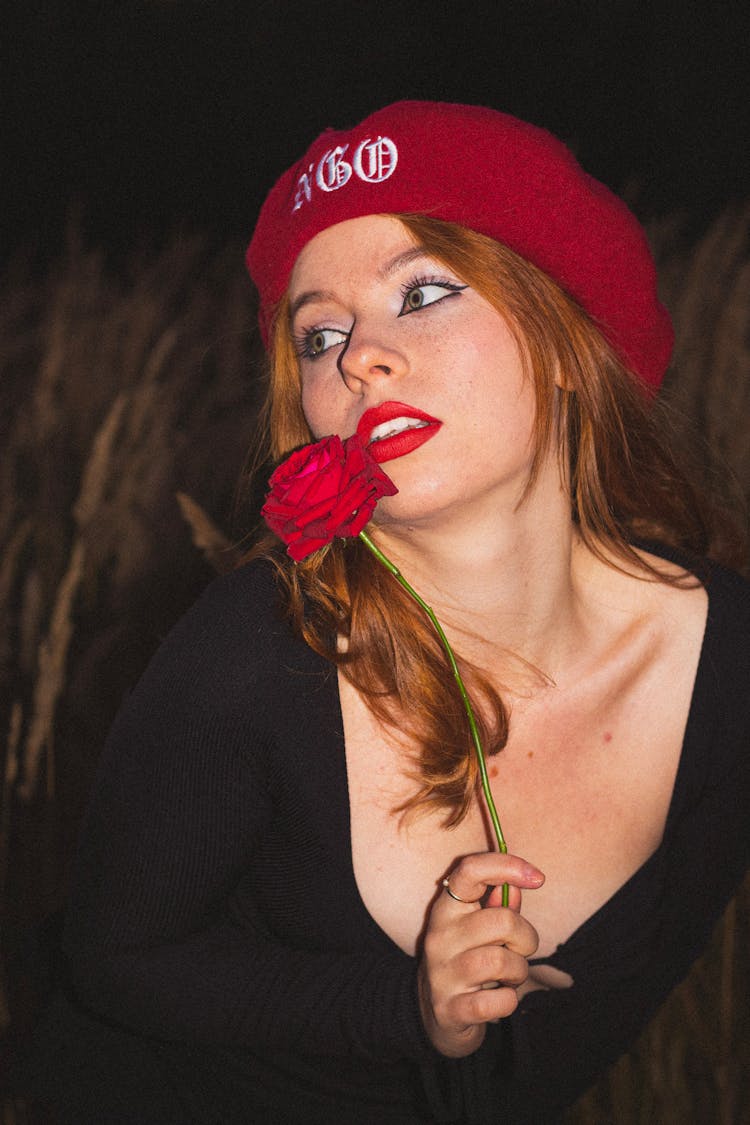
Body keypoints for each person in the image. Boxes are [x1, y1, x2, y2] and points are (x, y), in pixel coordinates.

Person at [30, 101, 749, 1124]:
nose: (358, 356)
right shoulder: (257, 654)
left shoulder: (727, 667)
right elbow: (115, 958)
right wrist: (405, 1007)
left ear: (563, 335)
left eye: (422, 292)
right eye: (320, 333)